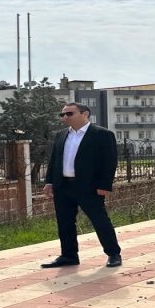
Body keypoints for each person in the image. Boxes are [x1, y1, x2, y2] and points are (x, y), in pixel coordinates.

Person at [41, 102, 123, 268]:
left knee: (99, 220)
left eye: (69, 114)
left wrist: (104, 185)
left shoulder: (101, 134)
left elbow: (109, 161)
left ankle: (113, 253)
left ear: (85, 114)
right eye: (62, 114)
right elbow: (54, 160)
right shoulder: (61, 134)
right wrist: (49, 181)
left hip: (89, 187)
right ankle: (69, 255)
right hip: (63, 186)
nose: (65, 117)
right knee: (64, 222)